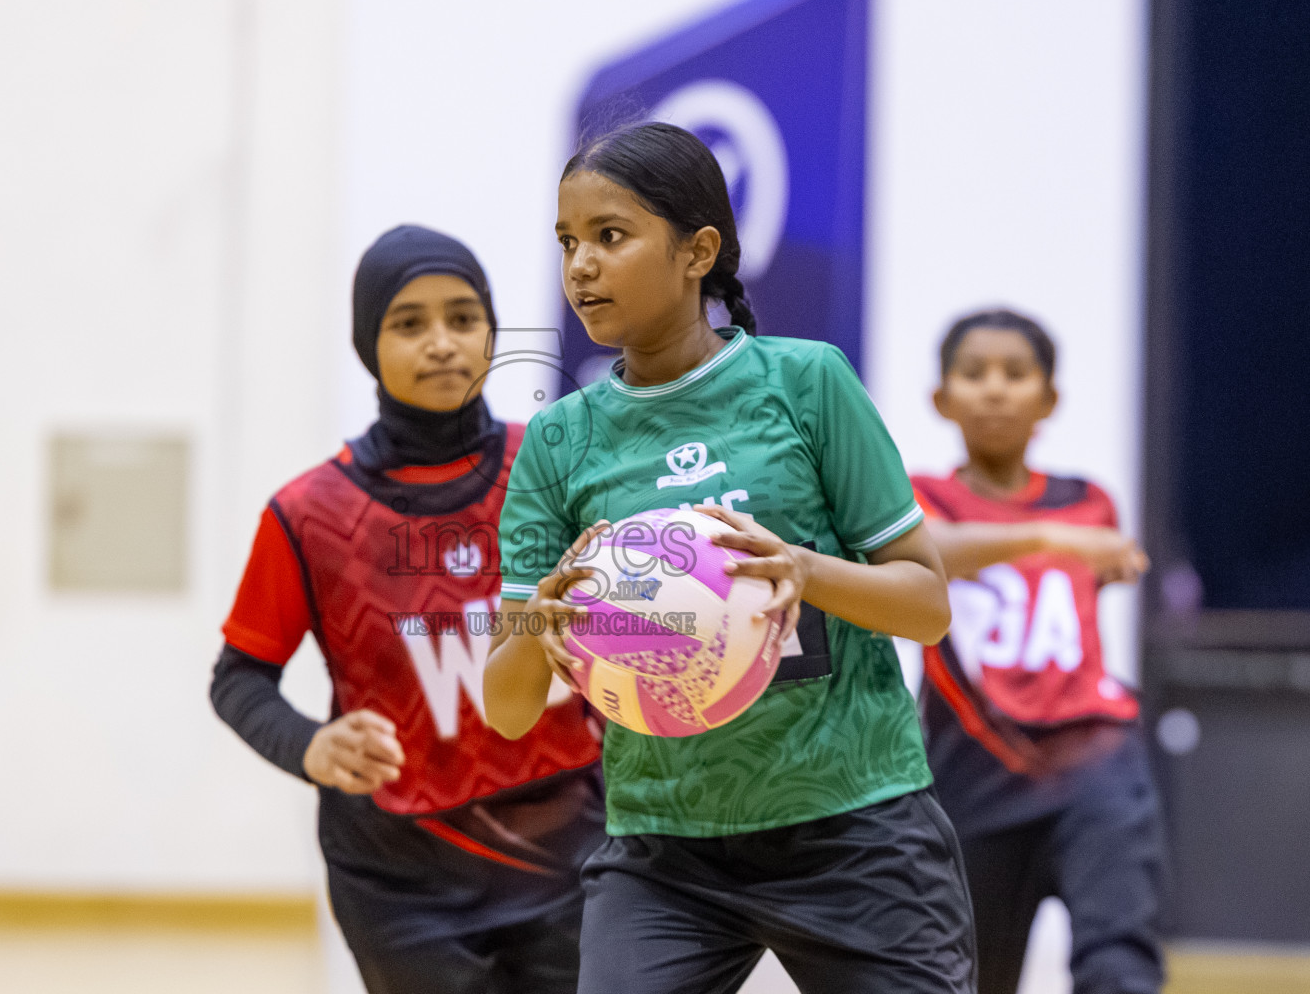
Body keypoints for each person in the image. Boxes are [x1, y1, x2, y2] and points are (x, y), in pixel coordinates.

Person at [482, 122, 976, 994]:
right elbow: (508, 708)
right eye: (567, 243)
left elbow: (928, 604)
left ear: (697, 250)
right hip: (666, 852)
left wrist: (809, 571)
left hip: (855, 824)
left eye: (610, 235)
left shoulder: (808, 383)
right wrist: (539, 626)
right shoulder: (558, 440)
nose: (581, 266)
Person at [210, 225, 605, 994]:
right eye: (408, 323)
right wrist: (309, 744)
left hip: (571, 854)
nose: (441, 344)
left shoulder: (560, 468)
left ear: (492, 331)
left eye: (463, 318)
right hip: (400, 882)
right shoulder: (310, 514)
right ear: (368, 343)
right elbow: (238, 679)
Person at [911, 308, 1166, 994]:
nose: (995, 390)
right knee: (966, 976)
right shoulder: (920, 499)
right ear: (942, 398)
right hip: (971, 771)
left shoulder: (1089, 501)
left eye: (1016, 374)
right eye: (974, 374)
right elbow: (928, 553)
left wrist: (1073, 544)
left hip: (1095, 761)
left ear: (1048, 399)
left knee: (1119, 958)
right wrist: (1048, 539)